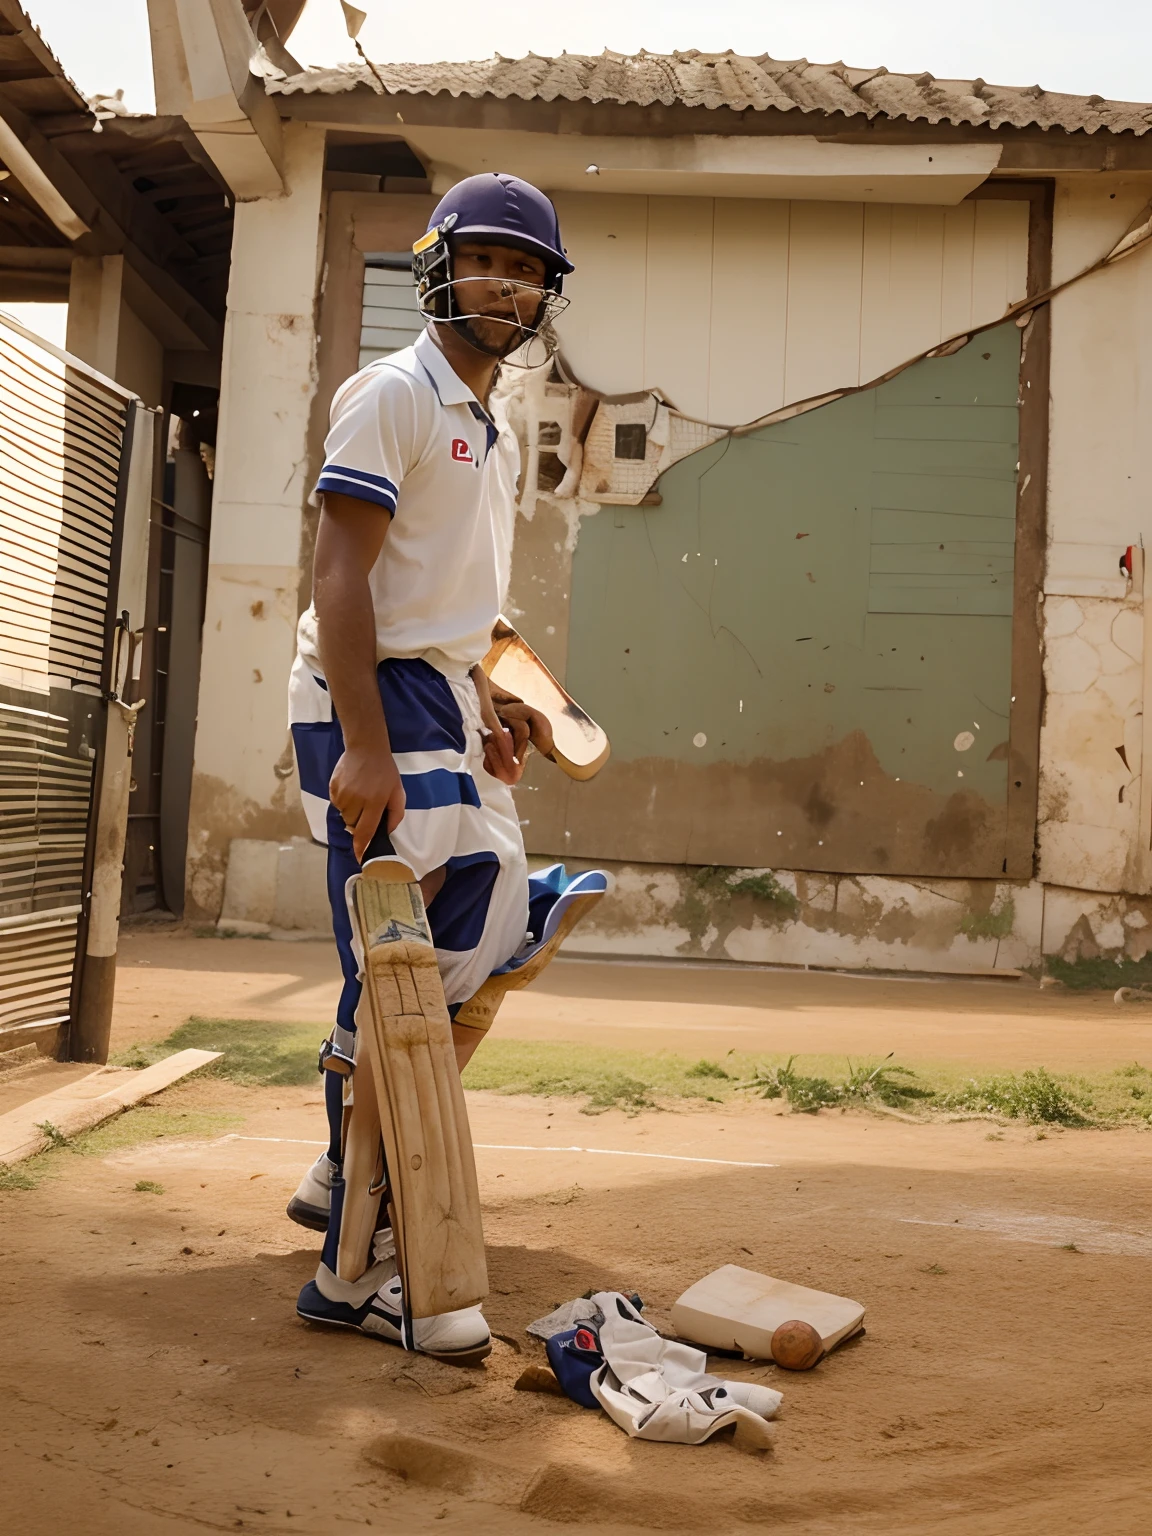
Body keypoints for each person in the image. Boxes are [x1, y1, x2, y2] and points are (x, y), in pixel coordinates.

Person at [283, 173, 594, 1364]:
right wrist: (366, 740)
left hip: (438, 692)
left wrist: (486, 707)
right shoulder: (391, 393)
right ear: (439, 265)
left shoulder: (496, 425)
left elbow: (461, 606)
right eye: (489, 260)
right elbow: (341, 579)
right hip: (367, 689)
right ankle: (356, 1262)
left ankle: (350, 1179)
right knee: (411, 949)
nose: (508, 284)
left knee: (477, 929)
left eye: (529, 269)